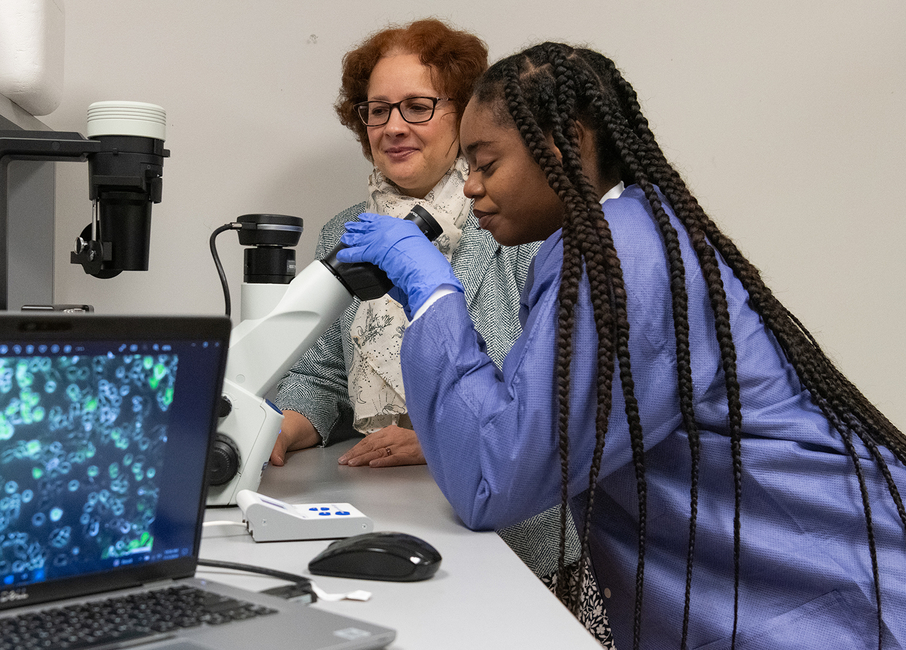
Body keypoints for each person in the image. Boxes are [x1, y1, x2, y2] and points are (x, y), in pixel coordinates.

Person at [336, 41, 906, 650]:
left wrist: (433, 297)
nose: (471, 186)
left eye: (487, 162)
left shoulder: (623, 259)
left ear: (569, 145)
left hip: (827, 597)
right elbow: (523, 421)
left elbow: (493, 480)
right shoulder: (606, 239)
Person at [269, 22, 612, 645]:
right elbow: (319, 373)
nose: (393, 126)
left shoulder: (516, 220)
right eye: (377, 110)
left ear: (463, 115)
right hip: (387, 507)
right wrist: (282, 425)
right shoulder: (347, 232)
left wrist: (434, 434)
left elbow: (540, 394)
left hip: (515, 529)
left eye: (418, 106)